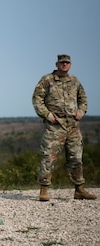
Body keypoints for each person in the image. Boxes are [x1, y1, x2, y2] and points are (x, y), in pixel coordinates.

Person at [32, 54, 97, 201]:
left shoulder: (74, 81)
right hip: (55, 126)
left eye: (67, 63)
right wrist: (47, 115)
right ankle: (44, 190)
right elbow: (37, 99)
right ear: (57, 64)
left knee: (76, 157)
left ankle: (79, 189)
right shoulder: (47, 80)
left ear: (70, 64)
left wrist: (81, 111)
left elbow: (83, 98)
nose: (64, 65)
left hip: (73, 126)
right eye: (62, 63)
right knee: (48, 157)